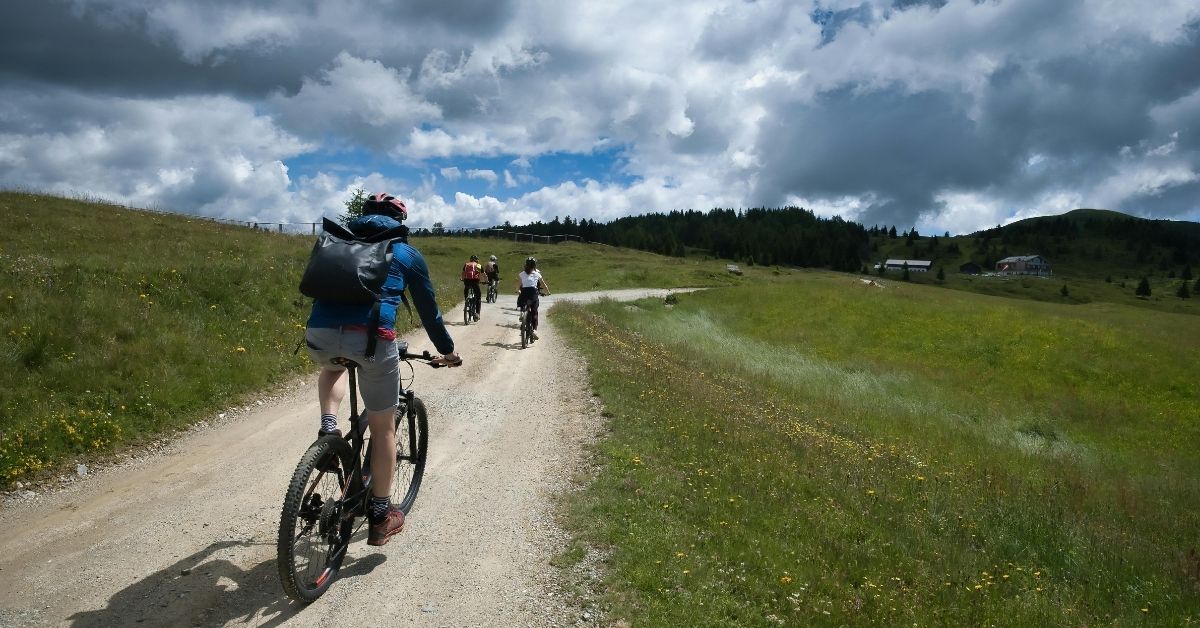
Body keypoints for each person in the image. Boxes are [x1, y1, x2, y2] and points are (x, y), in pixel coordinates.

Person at [305, 192, 461, 547]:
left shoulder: (336, 241)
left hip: (319, 334)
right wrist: (447, 351)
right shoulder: (405, 254)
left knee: (334, 368)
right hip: (373, 341)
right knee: (383, 428)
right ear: (399, 220)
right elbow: (430, 313)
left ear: (364, 215)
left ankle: (328, 430)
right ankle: (380, 514)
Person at [516, 256, 550, 340]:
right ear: (534, 266)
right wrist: (548, 292)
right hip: (533, 293)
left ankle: (523, 315)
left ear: (526, 265)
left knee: (524, 304)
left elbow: (519, 285)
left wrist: (517, 290)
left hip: (524, 293)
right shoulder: (537, 274)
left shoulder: (521, 274)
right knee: (534, 312)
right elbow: (543, 285)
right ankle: (534, 330)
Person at [461, 254, 484, 320]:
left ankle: (466, 302)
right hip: (475, 282)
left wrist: (463, 279)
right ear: (477, 260)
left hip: (467, 281)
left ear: (470, 259)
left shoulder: (466, 264)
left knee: (466, 289)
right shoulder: (478, 265)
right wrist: (486, 281)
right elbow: (483, 275)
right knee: (478, 297)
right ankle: (477, 313)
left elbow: (463, 273)